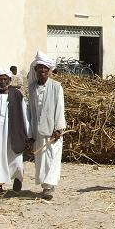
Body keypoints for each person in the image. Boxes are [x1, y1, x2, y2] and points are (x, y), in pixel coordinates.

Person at [0, 69, 30, 193]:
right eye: (0, 79)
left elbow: (24, 114)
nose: (2, 82)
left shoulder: (17, 94)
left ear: (9, 80)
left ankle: (18, 178)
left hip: (13, 132)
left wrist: (28, 134)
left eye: (5, 79)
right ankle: (0, 185)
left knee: (16, 159)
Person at [28, 52, 66, 200]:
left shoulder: (57, 87)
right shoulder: (31, 88)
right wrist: (30, 134)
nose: (42, 71)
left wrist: (58, 128)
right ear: (36, 70)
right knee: (41, 159)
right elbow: (30, 111)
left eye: (45, 69)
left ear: (49, 71)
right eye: (40, 69)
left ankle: (49, 187)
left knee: (53, 157)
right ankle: (45, 186)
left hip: (52, 130)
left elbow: (60, 108)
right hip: (38, 131)